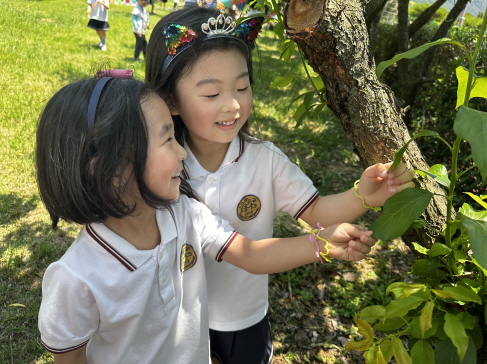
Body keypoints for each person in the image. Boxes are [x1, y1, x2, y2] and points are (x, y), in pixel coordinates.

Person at [36, 73, 377, 364]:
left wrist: (318, 243)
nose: (182, 151)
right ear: (111, 169)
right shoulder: (75, 279)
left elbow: (252, 254)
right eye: (168, 138)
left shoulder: (187, 214)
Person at [145, 7, 415, 364]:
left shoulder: (264, 160)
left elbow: (317, 212)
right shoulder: (162, 165)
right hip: (179, 320)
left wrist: (363, 196)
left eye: (242, 86)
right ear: (171, 101)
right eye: (211, 95)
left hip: (245, 318)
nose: (233, 104)